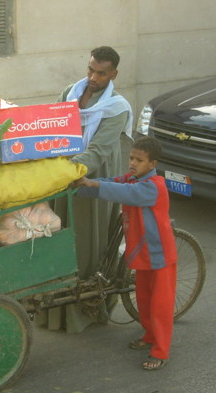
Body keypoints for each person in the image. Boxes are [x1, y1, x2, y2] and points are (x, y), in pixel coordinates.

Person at [43, 46, 134, 332]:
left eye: (101, 73)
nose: (93, 77)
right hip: (64, 174)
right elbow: (51, 123)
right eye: (90, 69)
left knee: (84, 243)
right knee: (57, 237)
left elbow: (99, 150)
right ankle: (51, 312)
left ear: (113, 74)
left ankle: (82, 312)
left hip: (94, 179)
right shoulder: (71, 92)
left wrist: (69, 171)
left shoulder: (117, 108)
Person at [72, 136, 177, 370]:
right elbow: (111, 182)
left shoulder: (153, 186)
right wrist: (81, 187)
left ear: (152, 164)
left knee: (160, 305)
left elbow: (122, 193)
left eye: (139, 160)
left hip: (159, 255)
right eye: (131, 158)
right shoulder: (131, 179)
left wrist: (93, 185)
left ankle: (160, 351)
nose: (132, 163)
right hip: (142, 253)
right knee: (144, 299)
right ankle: (149, 335)